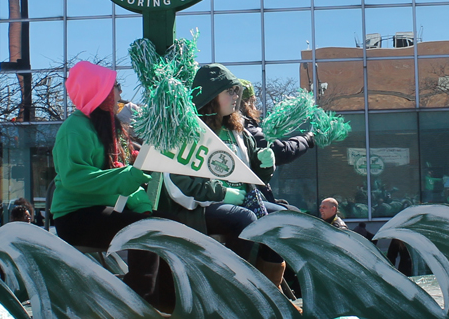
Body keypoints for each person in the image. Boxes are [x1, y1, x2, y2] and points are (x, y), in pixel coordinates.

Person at [158, 63, 289, 292]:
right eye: (229, 91)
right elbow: (179, 184)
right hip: (198, 209)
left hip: (239, 202)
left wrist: (265, 164)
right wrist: (223, 193)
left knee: (283, 218)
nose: (236, 96)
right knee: (244, 218)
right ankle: (236, 291)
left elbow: (253, 177)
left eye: (236, 91)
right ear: (210, 95)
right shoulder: (188, 133)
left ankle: (270, 292)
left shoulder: (238, 132)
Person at [50, 61, 159, 304]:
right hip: (75, 217)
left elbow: (121, 172)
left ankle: (159, 301)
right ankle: (137, 303)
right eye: (115, 86)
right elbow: (74, 178)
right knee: (148, 231)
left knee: (163, 227)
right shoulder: (74, 128)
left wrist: (138, 197)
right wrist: (127, 178)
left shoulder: (112, 127)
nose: (120, 92)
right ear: (99, 91)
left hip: (104, 210)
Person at [238, 79, 314, 205]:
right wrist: (306, 140)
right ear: (247, 103)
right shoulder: (246, 129)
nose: (256, 108)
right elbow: (282, 151)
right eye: (254, 102)